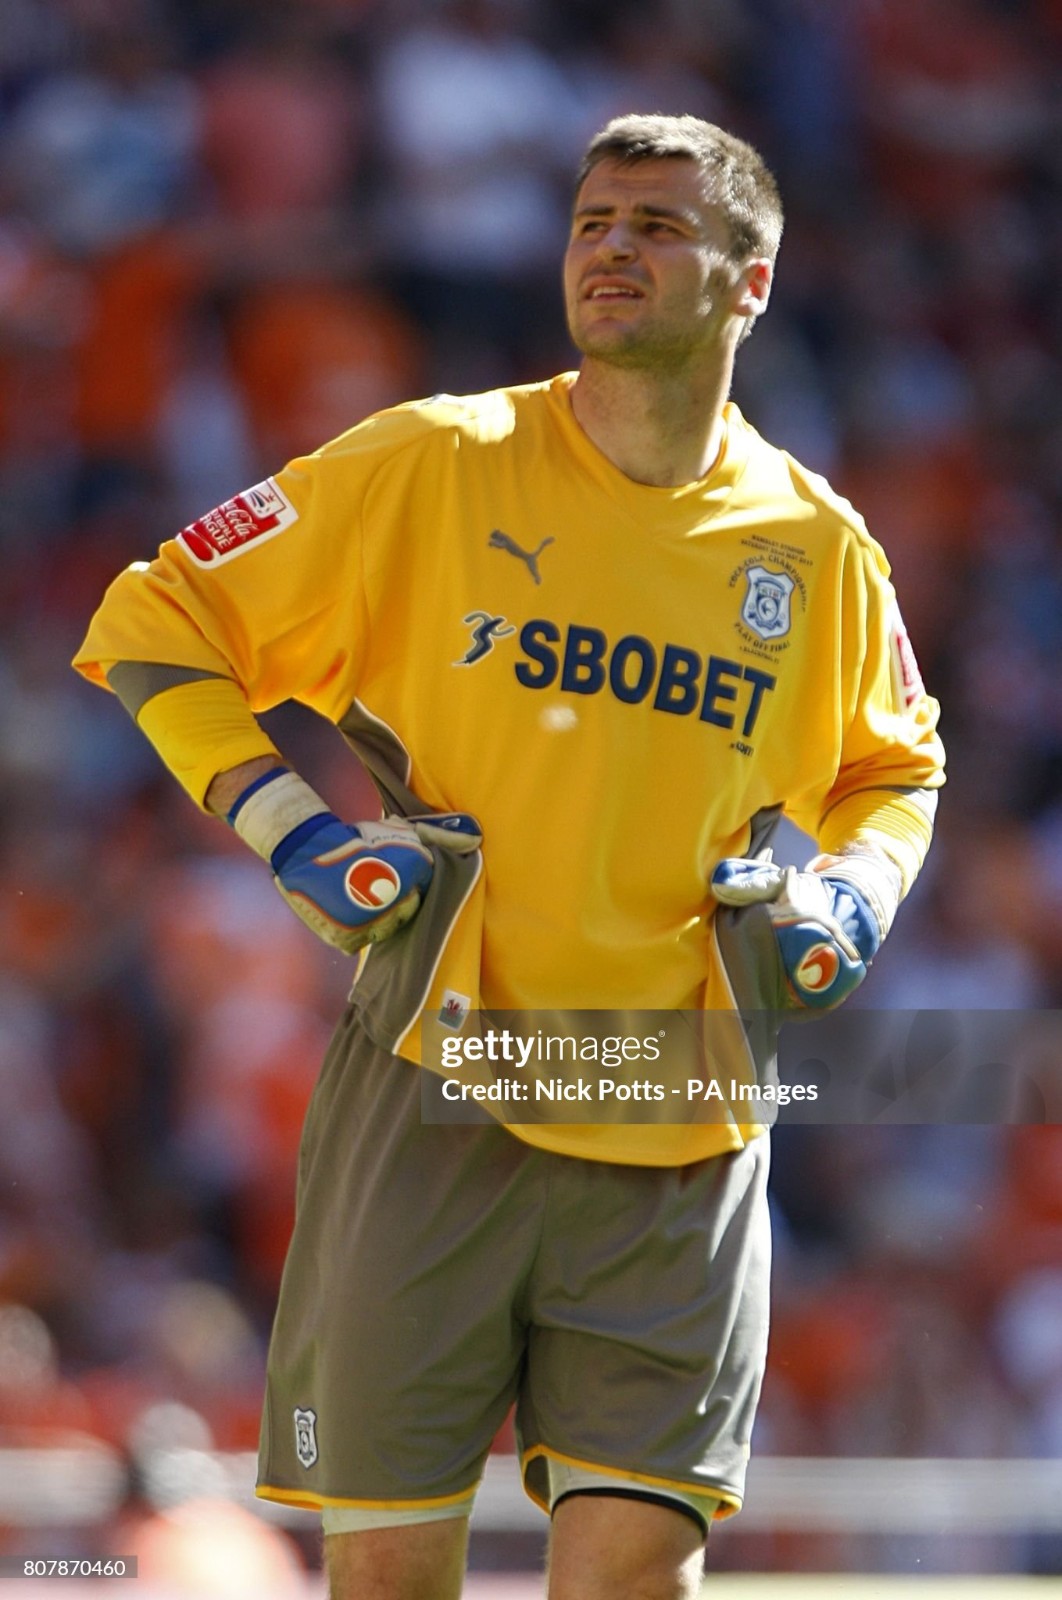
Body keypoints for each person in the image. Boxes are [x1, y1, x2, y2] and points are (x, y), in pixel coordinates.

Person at [74, 114, 945, 1600]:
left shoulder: (813, 550)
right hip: (435, 1089)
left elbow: (894, 767)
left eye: (658, 227)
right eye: (593, 220)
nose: (610, 248)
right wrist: (297, 835)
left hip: (677, 1112)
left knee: (631, 1580)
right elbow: (156, 623)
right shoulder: (428, 462)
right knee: (389, 1580)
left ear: (750, 283)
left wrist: (846, 900)